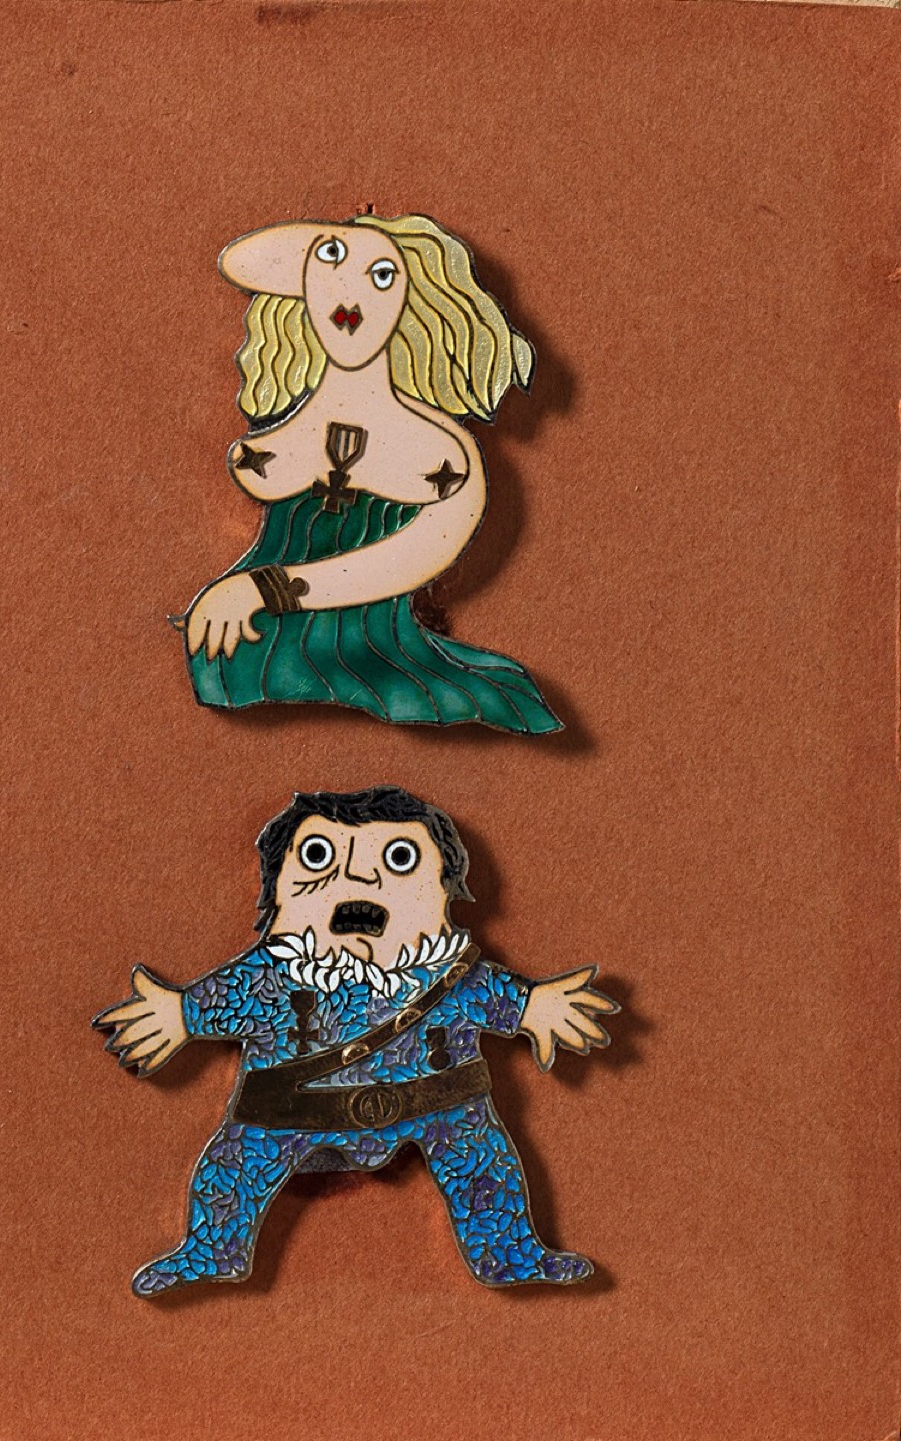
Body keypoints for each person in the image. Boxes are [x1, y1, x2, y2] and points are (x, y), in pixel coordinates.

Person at [93, 787, 616, 1293]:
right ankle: (211, 1252)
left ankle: (509, 1255)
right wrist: (179, 1014)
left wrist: (535, 1006)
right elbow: (221, 999)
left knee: (484, 1168)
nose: (360, 878)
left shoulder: (454, 975)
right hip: (285, 1113)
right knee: (230, 1171)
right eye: (319, 857)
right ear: (276, 888)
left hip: (442, 1105)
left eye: (399, 858)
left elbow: (500, 997)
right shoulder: (269, 976)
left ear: (445, 886)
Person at [184, 215, 561, 733]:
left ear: (415, 300)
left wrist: (263, 590)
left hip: (373, 654)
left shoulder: (442, 455)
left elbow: (404, 562)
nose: (350, 293)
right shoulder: (269, 441)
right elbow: (238, 261)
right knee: (222, 660)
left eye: (382, 275)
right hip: (250, 633)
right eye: (330, 260)